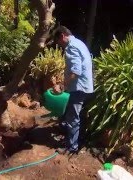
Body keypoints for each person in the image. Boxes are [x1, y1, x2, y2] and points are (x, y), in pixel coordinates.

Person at [53, 26, 94, 155]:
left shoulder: (71, 47)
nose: (60, 45)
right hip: (84, 86)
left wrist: (62, 85)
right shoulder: (79, 43)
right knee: (74, 115)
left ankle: (72, 147)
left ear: (63, 36)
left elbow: (76, 71)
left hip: (78, 87)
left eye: (59, 42)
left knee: (72, 118)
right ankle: (75, 139)